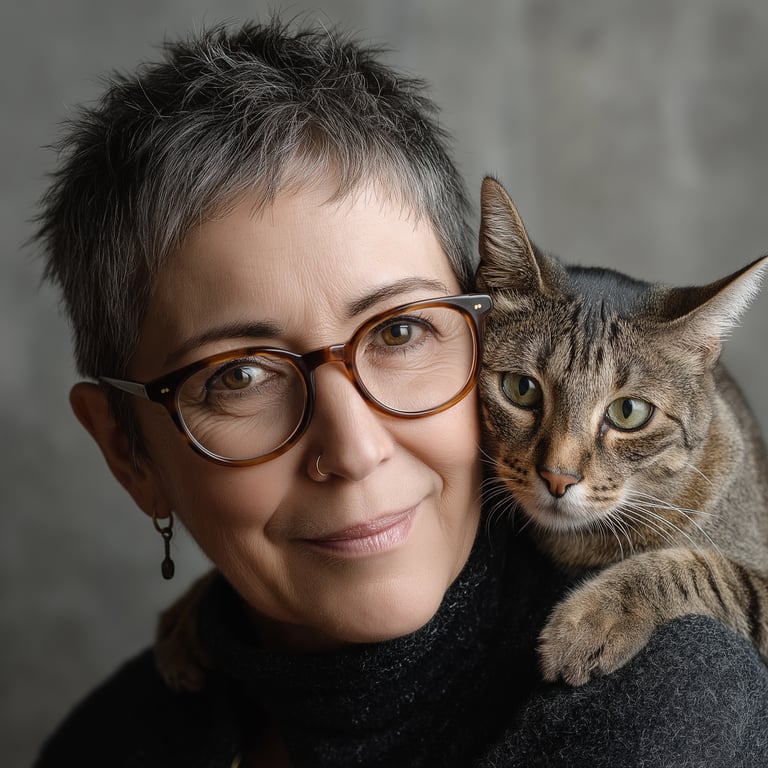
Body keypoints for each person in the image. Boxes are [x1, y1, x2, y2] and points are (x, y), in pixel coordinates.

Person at [33, 18, 768, 768]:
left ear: (470, 323)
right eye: (240, 375)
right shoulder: (104, 741)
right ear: (129, 453)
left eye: (398, 333)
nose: (356, 451)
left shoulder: (664, 704)